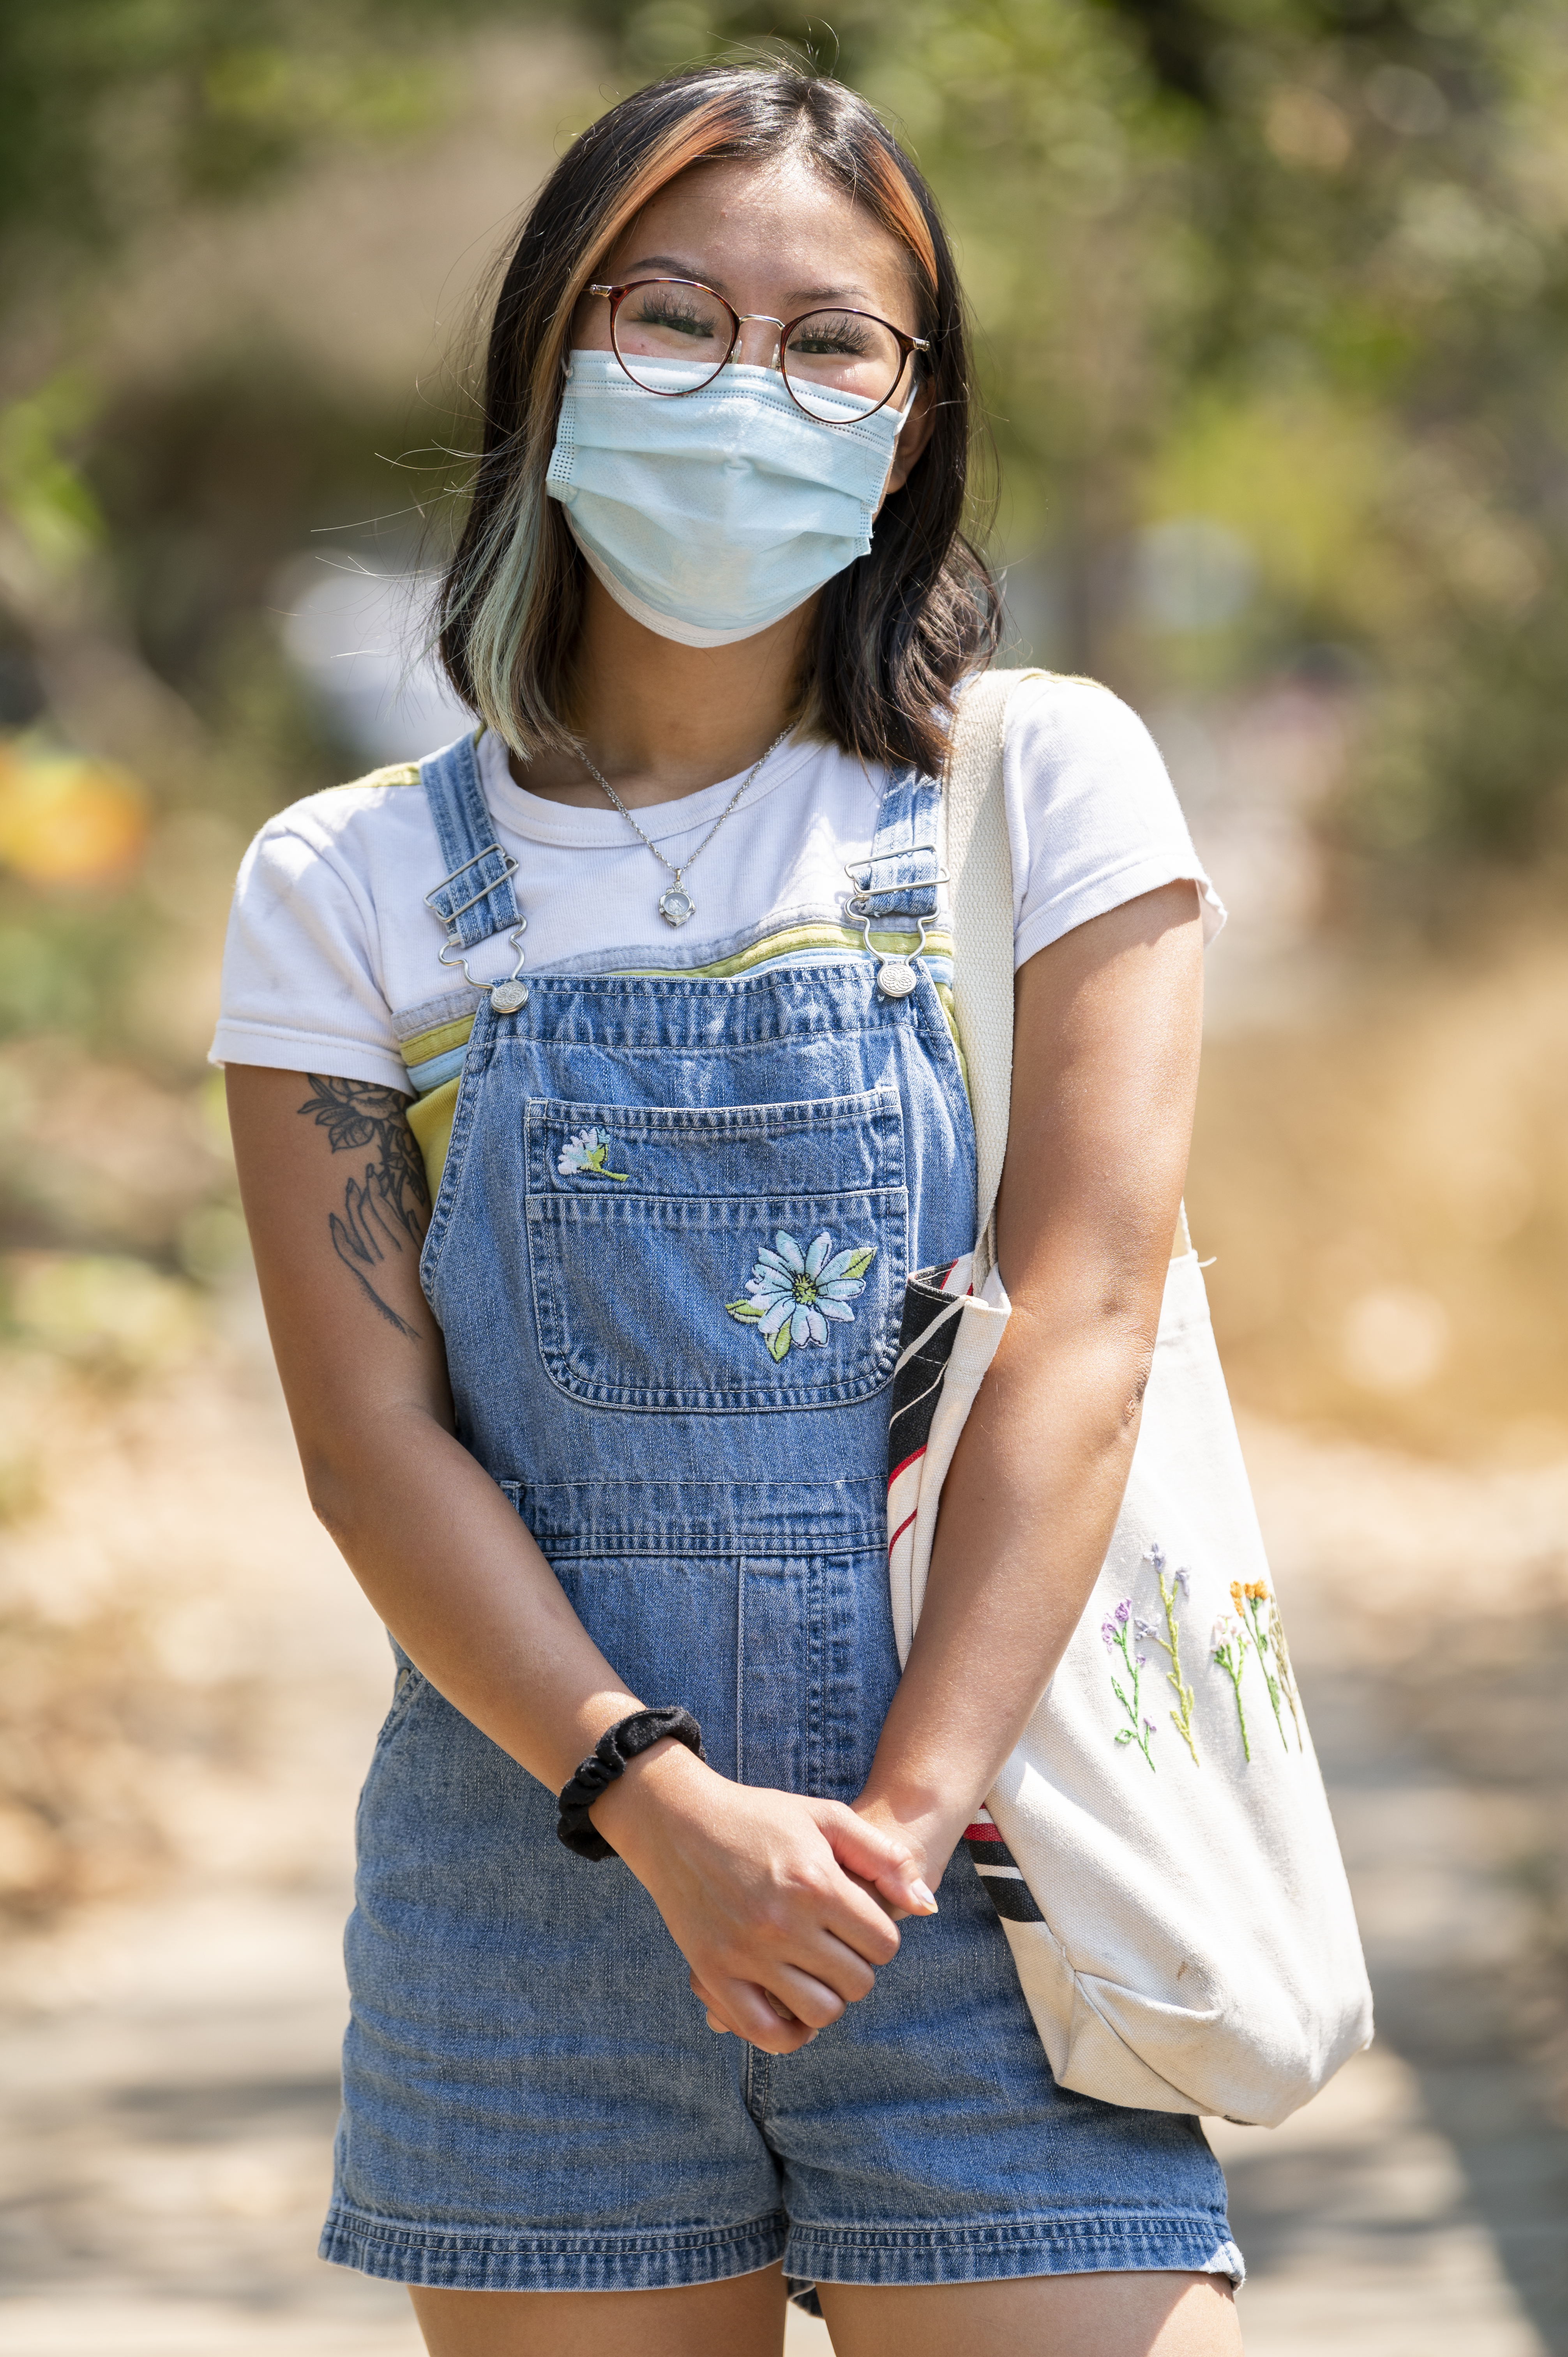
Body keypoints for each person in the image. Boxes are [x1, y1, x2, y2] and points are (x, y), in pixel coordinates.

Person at [217, 61, 1240, 2357]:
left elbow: (1083, 1311)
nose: (740, 386)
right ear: (547, 365)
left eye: (828, 340)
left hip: (988, 1888)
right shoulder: (351, 882)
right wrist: (663, 1811)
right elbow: (371, 1440)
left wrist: (890, 1826)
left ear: (904, 422)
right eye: (664, 316)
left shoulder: (1036, 783)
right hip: (538, 1908)